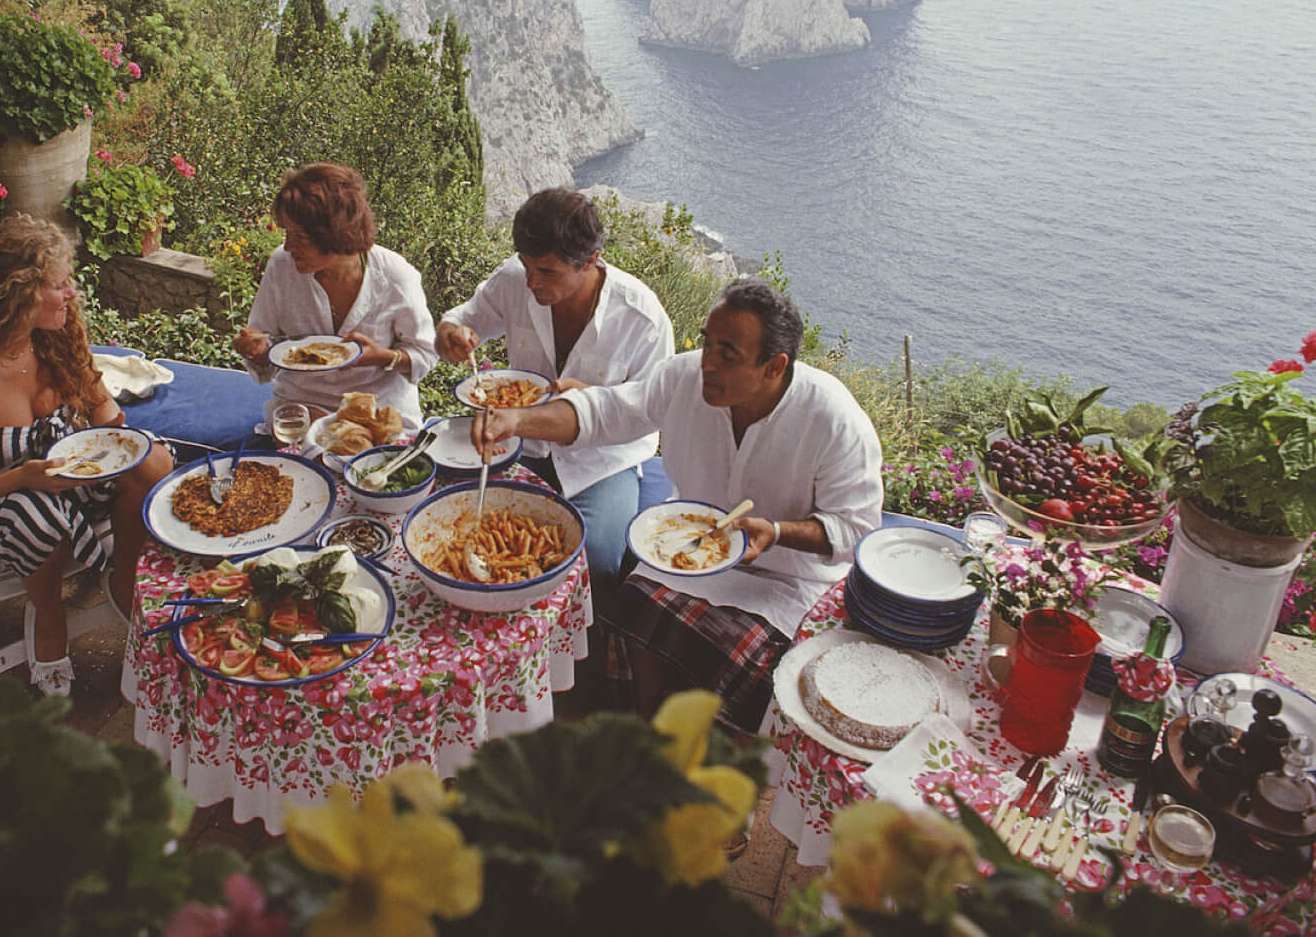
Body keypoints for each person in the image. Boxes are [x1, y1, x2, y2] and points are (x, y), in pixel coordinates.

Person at [473, 277, 882, 737]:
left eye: (729, 355)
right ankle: (653, 732)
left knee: (744, 659)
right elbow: (605, 412)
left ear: (774, 366)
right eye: (708, 344)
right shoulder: (683, 377)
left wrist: (777, 532)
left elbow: (857, 531)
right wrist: (516, 419)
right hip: (686, 549)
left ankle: (719, 750)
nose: (708, 364)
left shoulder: (833, 420)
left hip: (787, 581)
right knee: (631, 606)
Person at [0, 214, 173, 698]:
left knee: (153, 461)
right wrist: (20, 478)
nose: (73, 294)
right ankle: (49, 615)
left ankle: (125, 578)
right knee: (37, 513)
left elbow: (107, 417)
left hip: (56, 479)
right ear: (17, 292)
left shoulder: (55, 338)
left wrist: (126, 446)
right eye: (60, 284)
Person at [436, 188, 674, 604]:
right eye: (526, 266)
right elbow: (463, 318)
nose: (531, 282)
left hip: (600, 461)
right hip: (519, 445)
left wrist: (594, 399)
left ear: (591, 260)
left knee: (596, 557)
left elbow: (650, 410)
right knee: (458, 526)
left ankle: (585, 656)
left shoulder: (642, 317)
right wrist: (452, 335)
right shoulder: (514, 279)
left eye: (547, 273)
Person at [234, 163, 437, 430]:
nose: (287, 246)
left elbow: (425, 354)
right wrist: (256, 350)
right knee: (310, 461)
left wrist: (382, 356)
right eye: (287, 233)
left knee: (367, 465)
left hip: (378, 411)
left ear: (336, 234)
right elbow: (265, 338)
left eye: (300, 237)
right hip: (303, 406)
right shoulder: (282, 266)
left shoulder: (396, 277)